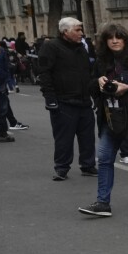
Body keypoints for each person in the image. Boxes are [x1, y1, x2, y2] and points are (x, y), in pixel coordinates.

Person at [78, 23, 128, 217]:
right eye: (110, 38)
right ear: (105, 42)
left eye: (118, 37)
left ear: (125, 40)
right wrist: (97, 83)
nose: (114, 41)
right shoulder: (101, 62)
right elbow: (90, 87)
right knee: (105, 159)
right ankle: (102, 203)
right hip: (110, 117)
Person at [38, 17, 99, 180]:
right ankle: (61, 168)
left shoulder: (81, 48)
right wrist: (50, 98)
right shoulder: (51, 47)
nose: (81, 33)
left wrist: (93, 95)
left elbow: (88, 73)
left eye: (81, 30)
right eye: (77, 30)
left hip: (84, 101)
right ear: (65, 32)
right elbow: (44, 73)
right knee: (64, 137)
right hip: (63, 102)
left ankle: (88, 165)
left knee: (87, 137)